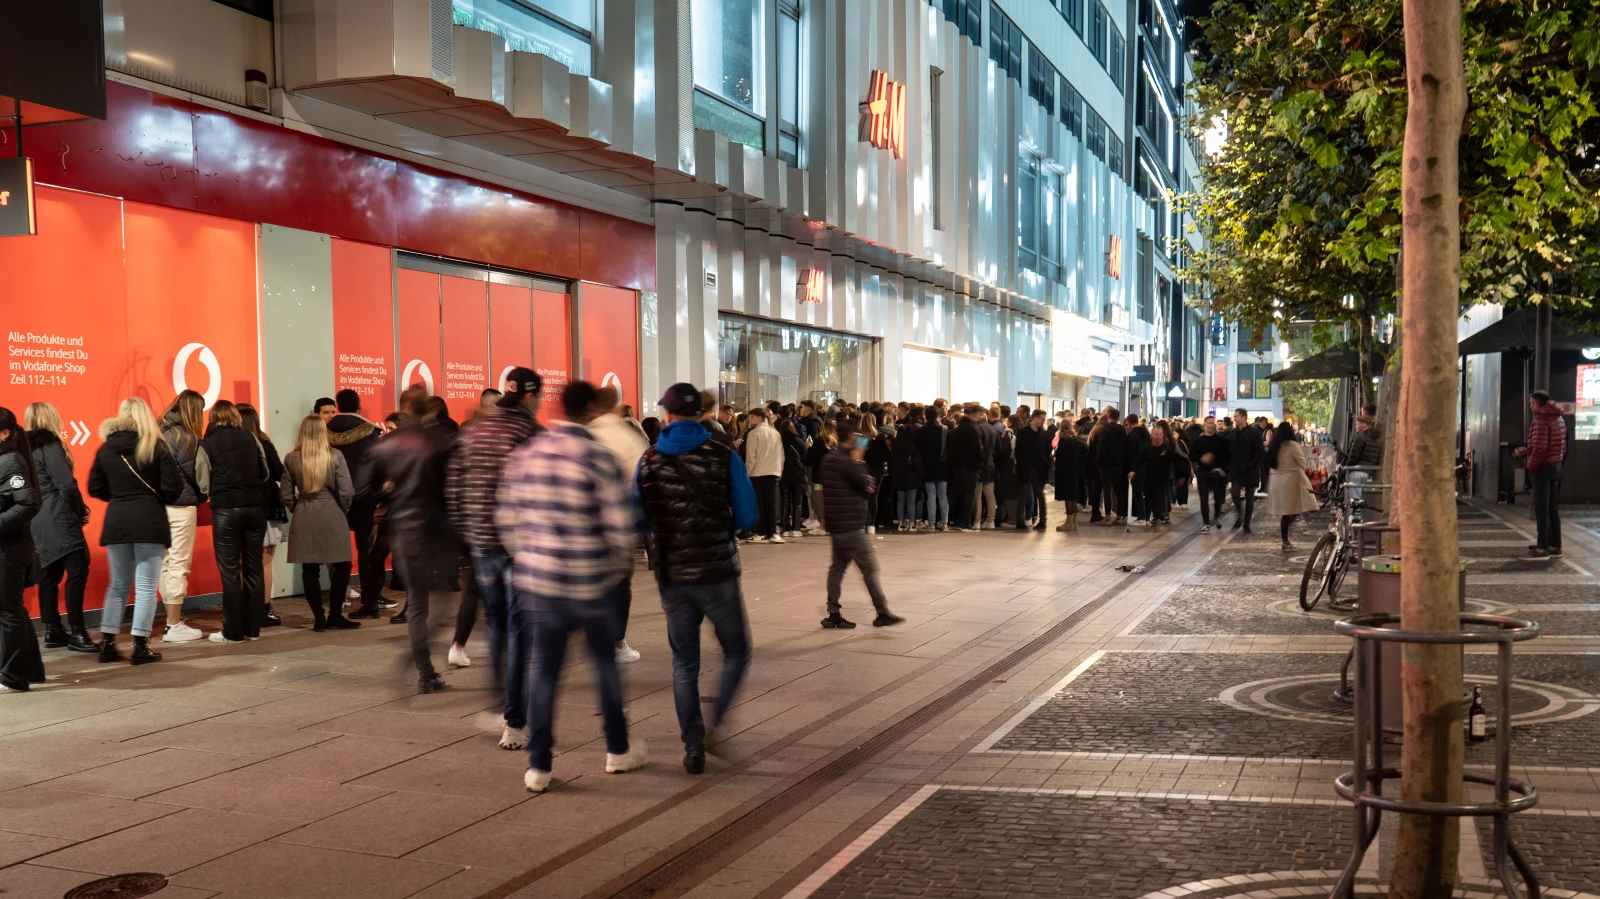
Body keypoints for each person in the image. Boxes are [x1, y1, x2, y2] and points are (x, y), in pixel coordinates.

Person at [498, 382, 645, 792]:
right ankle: (617, 750)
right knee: (604, 668)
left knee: (544, 671)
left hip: (540, 584)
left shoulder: (527, 455)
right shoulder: (599, 457)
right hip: (591, 582)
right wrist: (615, 573)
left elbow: (507, 522)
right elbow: (618, 529)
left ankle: (539, 766)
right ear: (592, 409)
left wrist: (529, 557)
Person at [636, 383, 758, 773]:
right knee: (736, 650)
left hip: (673, 573)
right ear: (701, 414)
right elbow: (747, 515)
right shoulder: (723, 453)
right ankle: (716, 722)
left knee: (684, 662)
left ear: (667, 416)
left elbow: (636, 519)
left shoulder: (649, 459)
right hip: (718, 571)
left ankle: (693, 746)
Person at [445, 368, 543, 749]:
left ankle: (498, 701)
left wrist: (470, 533)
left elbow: (454, 488)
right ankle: (514, 721)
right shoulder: (529, 433)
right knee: (520, 629)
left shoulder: (473, 431)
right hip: (519, 544)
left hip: (482, 544)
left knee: (498, 623)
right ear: (531, 396)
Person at [360, 385, 454, 693]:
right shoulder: (437, 441)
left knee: (417, 603)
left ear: (403, 408)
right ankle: (417, 661)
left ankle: (425, 670)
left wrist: (390, 491)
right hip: (435, 530)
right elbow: (450, 486)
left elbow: (366, 486)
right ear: (427, 409)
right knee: (444, 600)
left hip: (403, 529)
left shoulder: (387, 444)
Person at [89, 398, 185, 665]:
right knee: (145, 587)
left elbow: (95, 487)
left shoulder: (106, 449)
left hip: (117, 521)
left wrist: (121, 496)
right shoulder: (155, 447)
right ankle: (140, 646)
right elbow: (173, 487)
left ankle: (107, 643)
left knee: (117, 585)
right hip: (149, 521)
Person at [196, 400, 270, 644]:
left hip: (226, 511)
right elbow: (265, 473)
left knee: (230, 573)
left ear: (214, 418)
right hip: (255, 509)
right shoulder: (252, 438)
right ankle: (253, 630)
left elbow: (203, 483)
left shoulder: (206, 444)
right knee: (254, 569)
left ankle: (233, 632)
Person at [586, 385, 651, 662]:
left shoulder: (587, 433)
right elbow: (641, 481)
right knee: (620, 584)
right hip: (619, 522)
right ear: (617, 406)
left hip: (586, 523)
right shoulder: (629, 437)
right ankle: (617, 642)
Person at [820, 418, 905, 629]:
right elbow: (867, 485)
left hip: (837, 523)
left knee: (837, 568)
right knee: (869, 568)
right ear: (850, 437)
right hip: (850, 524)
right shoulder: (847, 461)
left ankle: (833, 613)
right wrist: (859, 460)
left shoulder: (829, 458)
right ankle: (882, 612)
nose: (859, 440)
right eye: (857, 436)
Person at [23, 403, 95, 652]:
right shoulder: (49, 446)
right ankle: (78, 631)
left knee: (49, 576)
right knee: (77, 570)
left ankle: (53, 630)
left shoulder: (23, 451)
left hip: (36, 522)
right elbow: (66, 485)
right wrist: (80, 509)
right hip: (59, 518)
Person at [281, 415, 359, 632]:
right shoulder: (335, 456)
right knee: (342, 564)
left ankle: (318, 618)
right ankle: (335, 614)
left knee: (309, 567)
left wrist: (297, 508)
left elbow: (286, 494)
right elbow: (347, 492)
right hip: (331, 511)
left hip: (304, 513)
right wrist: (341, 511)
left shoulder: (291, 458)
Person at [327, 389, 385, 619]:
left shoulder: (325, 431)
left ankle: (337, 603)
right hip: (365, 497)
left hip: (334, 497)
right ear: (359, 405)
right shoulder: (369, 432)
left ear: (338, 405)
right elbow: (378, 465)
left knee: (337, 552)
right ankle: (370, 601)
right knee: (366, 551)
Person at [157, 390, 207, 644]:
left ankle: (170, 621)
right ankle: (173, 624)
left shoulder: (158, 430)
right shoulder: (186, 437)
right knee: (179, 563)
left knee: (166, 564)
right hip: (181, 505)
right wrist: (202, 496)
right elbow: (196, 476)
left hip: (158, 506)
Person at [0, 408, 45, 692]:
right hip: (10, 544)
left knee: (7, 611)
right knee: (11, 608)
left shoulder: (10, 461)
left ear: (4, 433)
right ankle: (31, 670)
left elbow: (29, 503)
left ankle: (13, 677)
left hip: (11, 547)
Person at [238, 403, 286, 628]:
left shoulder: (233, 445)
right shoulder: (264, 443)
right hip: (266, 506)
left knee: (242, 561)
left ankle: (244, 607)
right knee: (265, 562)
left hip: (240, 507)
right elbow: (279, 472)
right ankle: (264, 609)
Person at [1517, 389, 1566, 558]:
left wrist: (1530, 466)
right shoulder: (1558, 418)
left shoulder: (1540, 421)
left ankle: (1542, 547)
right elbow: (1561, 445)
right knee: (1552, 507)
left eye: (1531, 403)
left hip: (1543, 469)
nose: (1530, 406)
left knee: (1541, 508)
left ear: (1537, 404)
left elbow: (1540, 448)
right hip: (1556, 466)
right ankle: (1555, 545)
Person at [1264, 421, 1320, 551]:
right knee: (1289, 512)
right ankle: (1285, 542)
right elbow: (1302, 463)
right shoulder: (1293, 445)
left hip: (1277, 482)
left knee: (1287, 512)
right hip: (1291, 481)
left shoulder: (1274, 445)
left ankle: (1285, 539)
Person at [741, 409, 783, 543]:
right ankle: (773, 533)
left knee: (759, 504)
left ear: (759, 418)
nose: (750, 419)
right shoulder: (775, 433)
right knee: (771, 503)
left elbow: (751, 456)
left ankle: (760, 533)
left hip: (757, 473)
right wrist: (779, 471)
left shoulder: (753, 433)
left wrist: (747, 472)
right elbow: (780, 455)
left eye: (752, 417)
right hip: (773, 472)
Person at [1226, 408, 1265, 533]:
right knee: (1235, 493)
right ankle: (1240, 513)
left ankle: (1246, 523)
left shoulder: (1253, 433)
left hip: (1249, 470)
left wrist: (1252, 464)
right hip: (1237, 470)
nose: (1234, 418)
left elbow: (1259, 451)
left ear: (1243, 417)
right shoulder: (1233, 433)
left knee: (1249, 498)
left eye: (1236, 416)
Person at [1132, 421, 1179, 526]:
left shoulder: (1167, 449)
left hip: (1162, 479)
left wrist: (1178, 476)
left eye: (1160, 435)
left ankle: (1158, 517)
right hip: (1149, 478)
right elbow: (1139, 460)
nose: (1159, 437)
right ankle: (1148, 517)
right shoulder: (1146, 449)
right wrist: (1133, 470)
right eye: (1157, 435)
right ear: (1151, 436)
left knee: (1159, 497)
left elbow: (1175, 462)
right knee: (1148, 498)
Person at [947, 405, 985, 532]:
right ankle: (966, 522)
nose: (982, 417)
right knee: (970, 495)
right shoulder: (975, 429)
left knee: (954, 494)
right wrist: (982, 460)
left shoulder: (958, 429)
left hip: (958, 466)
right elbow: (978, 449)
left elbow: (952, 449)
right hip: (972, 467)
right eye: (980, 414)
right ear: (973, 414)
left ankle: (943, 519)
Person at [1089, 408, 1129, 525]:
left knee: (1106, 489)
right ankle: (1120, 514)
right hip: (1118, 464)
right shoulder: (1122, 429)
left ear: (1109, 417)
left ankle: (1107, 515)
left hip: (1106, 464)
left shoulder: (1106, 429)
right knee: (1117, 489)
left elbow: (1103, 448)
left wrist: (1098, 461)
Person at [1190, 416, 1230, 533]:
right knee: (1203, 499)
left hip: (1216, 473)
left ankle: (1217, 515)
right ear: (1205, 424)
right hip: (1203, 473)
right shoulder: (1198, 441)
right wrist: (1201, 458)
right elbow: (1191, 455)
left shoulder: (1220, 440)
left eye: (1213, 423)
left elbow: (1225, 456)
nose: (1211, 425)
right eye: (1209, 423)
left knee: (1218, 498)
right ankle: (1206, 522)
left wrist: (1219, 467)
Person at [914, 407, 950, 531]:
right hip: (942, 467)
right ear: (937, 416)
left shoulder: (921, 431)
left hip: (927, 467)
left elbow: (917, 451)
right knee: (943, 495)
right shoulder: (944, 430)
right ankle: (945, 523)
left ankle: (931, 524)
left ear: (925, 416)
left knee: (931, 496)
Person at [888, 411, 925, 531]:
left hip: (898, 477)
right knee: (911, 502)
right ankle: (911, 523)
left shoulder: (894, 447)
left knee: (900, 501)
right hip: (912, 477)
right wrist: (921, 475)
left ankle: (901, 523)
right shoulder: (912, 448)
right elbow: (918, 464)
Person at [1016, 411, 1052, 531]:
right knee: (1023, 495)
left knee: (1040, 496)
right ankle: (1020, 521)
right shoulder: (1022, 432)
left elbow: (1048, 453)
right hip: (1025, 468)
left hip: (1039, 469)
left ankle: (1043, 520)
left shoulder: (1045, 434)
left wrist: (1045, 466)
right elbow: (1018, 451)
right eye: (1041, 419)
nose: (1043, 421)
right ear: (1034, 418)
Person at [778, 419, 809, 537]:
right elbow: (805, 457)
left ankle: (785, 529)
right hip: (797, 474)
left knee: (784, 502)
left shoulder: (779, 441)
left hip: (783, 474)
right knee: (797, 502)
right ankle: (796, 529)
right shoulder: (798, 441)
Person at [1053, 426, 1087, 532]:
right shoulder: (1078, 442)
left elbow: (1059, 457)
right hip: (1077, 473)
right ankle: (1074, 522)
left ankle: (1069, 523)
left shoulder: (1064, 442)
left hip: (1067, 473)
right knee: (1074, 497)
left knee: (1068, 497)